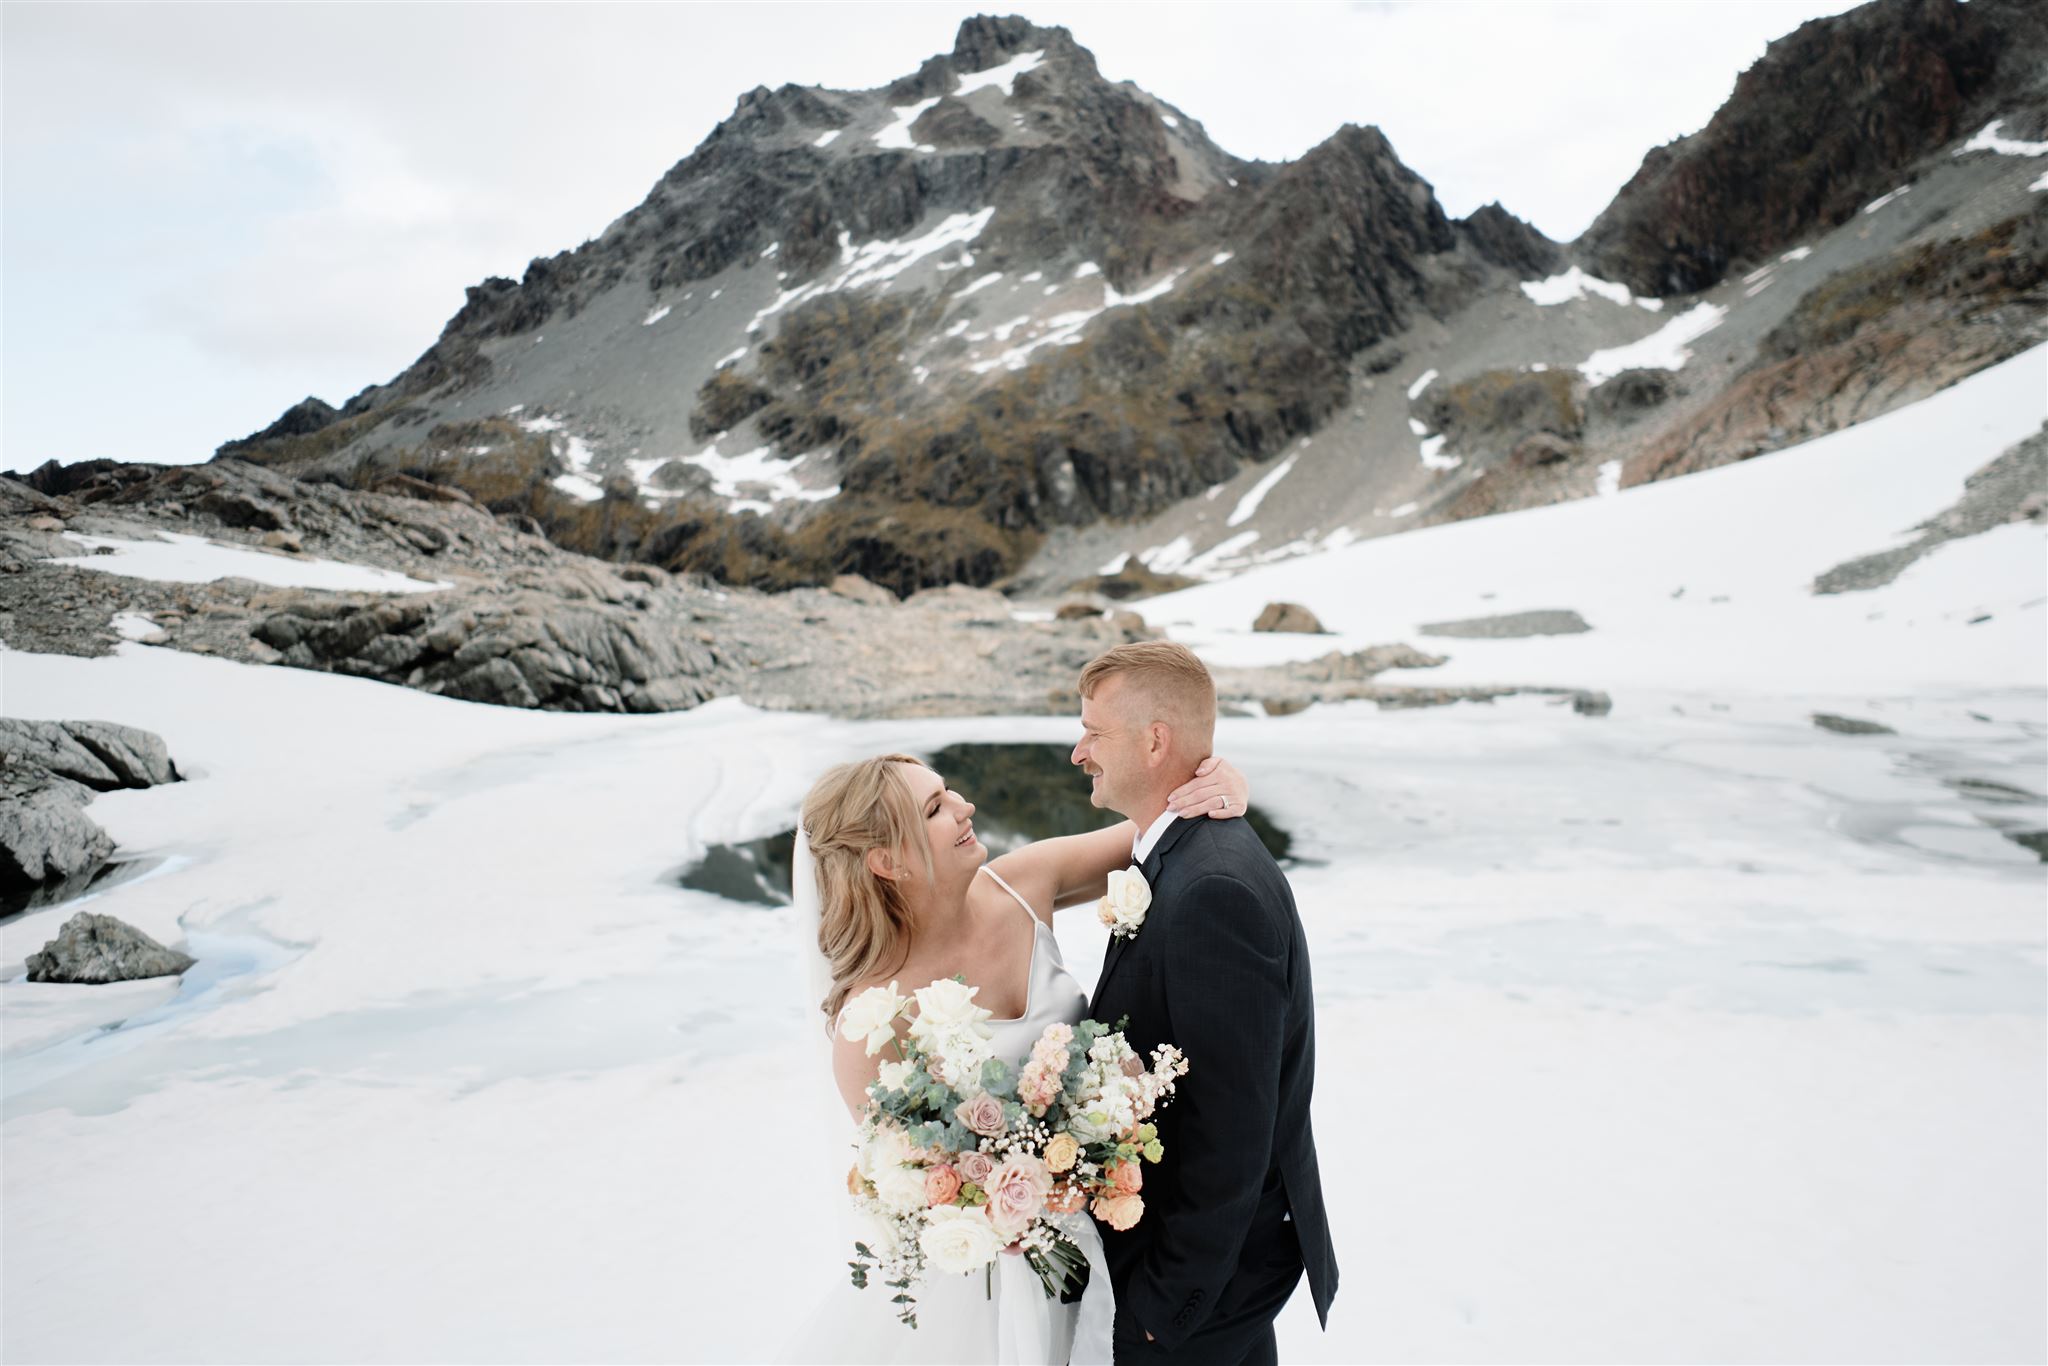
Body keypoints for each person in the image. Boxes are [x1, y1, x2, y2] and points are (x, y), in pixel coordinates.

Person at [788, 744, 1251, 1364]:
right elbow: (906, 1189)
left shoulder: (1022, 882)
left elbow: (1159, 827)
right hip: (981, 1298)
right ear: (886, 860)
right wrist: (1004, 1200)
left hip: (1118, 1247)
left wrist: (1221, 783)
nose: (964, 806)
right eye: (935, 808)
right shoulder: (874, 1022)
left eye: (949, 791)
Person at [1074, 642, 1337, 1365]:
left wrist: (1165, 1308)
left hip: (1197, 1293)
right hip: (1205, 1276)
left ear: (1154, 741)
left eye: (1094, 731)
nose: (1078, 750)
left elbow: (1231, 1131)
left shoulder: (1212, 888)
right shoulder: (1178, 849)